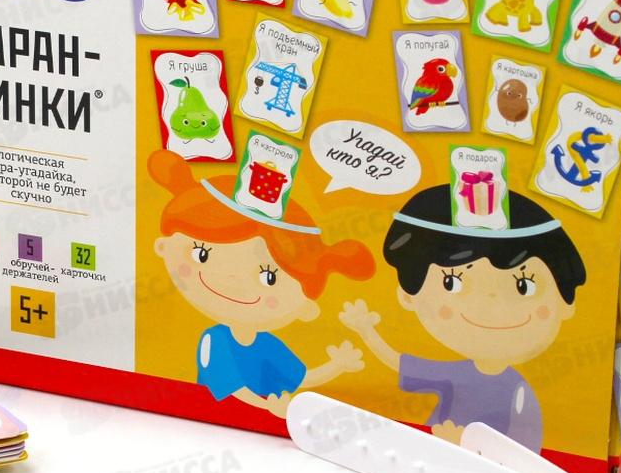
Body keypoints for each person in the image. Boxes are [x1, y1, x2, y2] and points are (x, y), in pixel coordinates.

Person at [340, 184, 585, 451]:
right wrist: (366, 330)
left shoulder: (518, 389)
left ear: (566, 303)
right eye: (452, 282)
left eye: (523, 286)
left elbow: (528, 447)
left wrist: (471, 448)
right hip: (430, 453)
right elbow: (400, 364)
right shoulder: (456, 373)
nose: (490, 302)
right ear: (408, 295)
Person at [150, 151, 374, 417]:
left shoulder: (267, 344)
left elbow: (300, 378)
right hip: (214, 416)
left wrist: (337, 366)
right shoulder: (216, 339)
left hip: (257, 422)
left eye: (269, 277)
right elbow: (232, 389)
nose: (230, 278)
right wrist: (268, 407)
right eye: (202, 254)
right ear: (162, 247)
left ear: (306, 307)